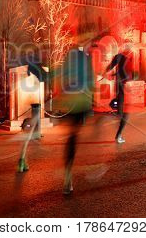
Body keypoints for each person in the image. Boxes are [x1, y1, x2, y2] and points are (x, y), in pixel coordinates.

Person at [60, 46, 94, 194]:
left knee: (72, 137)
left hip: (71, 103)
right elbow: (90, 82)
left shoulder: (70, 56)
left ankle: (68, 176)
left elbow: (64, 77)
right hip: (80, 103)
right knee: (74, 136)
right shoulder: (86, 58)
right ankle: (68, 176)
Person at [104, 46, 131, 144]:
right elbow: (123, 70)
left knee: (123, 111)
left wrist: (108, 72)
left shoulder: (119, 56)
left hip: (121, 84)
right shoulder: (124, 58)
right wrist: (125, 78)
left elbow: (113, 66)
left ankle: (119, 134)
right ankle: (118, 135)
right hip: (123, 85)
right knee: (125, 114)